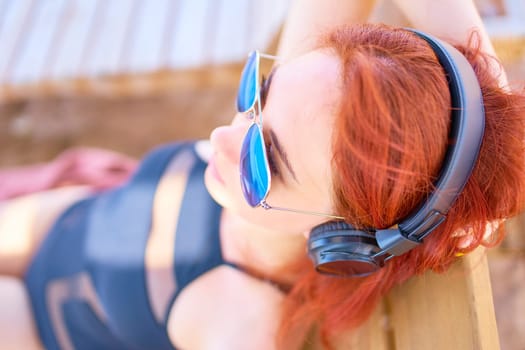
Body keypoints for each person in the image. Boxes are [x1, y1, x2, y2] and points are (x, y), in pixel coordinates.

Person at [1, 3, 525, 350]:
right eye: (260, 92)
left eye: (264, 161)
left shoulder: (240, 322)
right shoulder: (315, 111)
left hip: (32, 319)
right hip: (63, 215)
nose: (224, 136)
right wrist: (485, 86)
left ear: (341, 238)